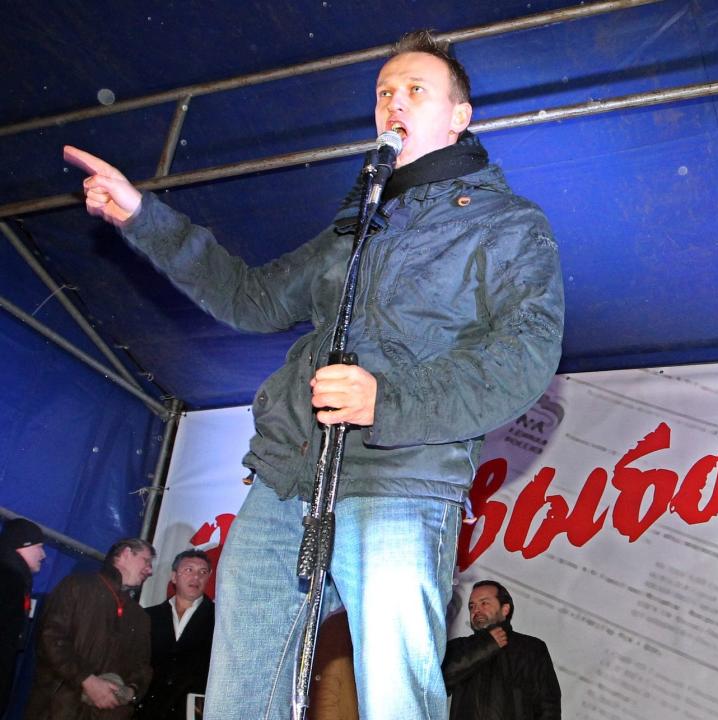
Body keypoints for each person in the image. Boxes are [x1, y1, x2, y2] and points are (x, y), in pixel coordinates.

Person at [64, 29, 564, 720]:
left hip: (401, 478)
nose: (395, 100)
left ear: (459, 115)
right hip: (292, 479)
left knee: (394, 689)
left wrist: (388, 400)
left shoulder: (508, 226)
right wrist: (146, 219)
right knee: (243, 682)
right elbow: (252, 297)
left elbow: (527, 357)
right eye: (384, 91)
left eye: (416, 89)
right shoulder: (354, 229)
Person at [24, 538, 155, 720]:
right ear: (126, 554)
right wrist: (87, 680)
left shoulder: (140, 617)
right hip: (57, 711)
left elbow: (142, 667)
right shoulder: (76, 586)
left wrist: (131, 692)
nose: (150, 570)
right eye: (146, 561)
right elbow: (50, 639)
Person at [443, 580, 561, 720]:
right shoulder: (458, 647)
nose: (476, 610)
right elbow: (438, 681)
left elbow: (549, 707)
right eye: (472, 606)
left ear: (505, 609)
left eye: (484, 603)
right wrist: (487, 645)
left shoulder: (532, 648)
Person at [136, 550, 215, 720]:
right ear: (174, 576)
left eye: (203, 572)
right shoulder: (148, 616)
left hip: (193, 712)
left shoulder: (221, 621)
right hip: (147, 710)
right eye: (189, 570)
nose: (196, 578)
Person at [0, 518, 46, 717]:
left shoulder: (15, 580)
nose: (43, 555)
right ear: (22, 546)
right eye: (39, 547)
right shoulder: (8, 580)